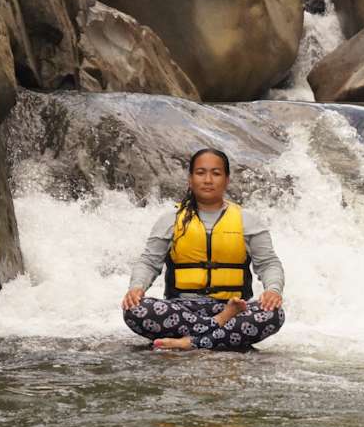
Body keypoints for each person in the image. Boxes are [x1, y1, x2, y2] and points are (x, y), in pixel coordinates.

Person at [121, 148, 285, 351]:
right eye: (200, 173)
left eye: (216, 173)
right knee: (135, 309)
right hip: (182, 310)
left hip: (234, 308)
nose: (208, 180)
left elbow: (269, 263)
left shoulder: (247, 220)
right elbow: (148, 261)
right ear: (190, 179)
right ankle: (216, 335)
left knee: (273, 314)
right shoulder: (170, 219)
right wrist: (136, 288)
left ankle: (190, 342)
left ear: (226, 180)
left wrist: (273, 291)